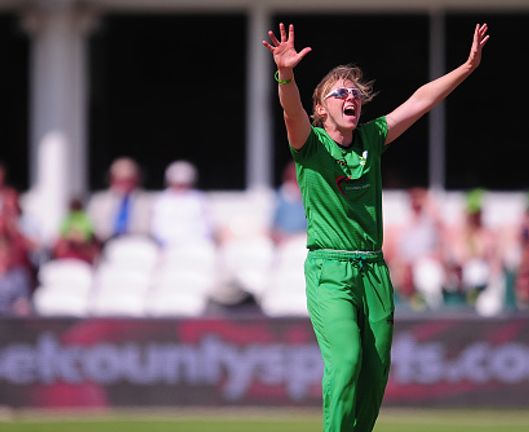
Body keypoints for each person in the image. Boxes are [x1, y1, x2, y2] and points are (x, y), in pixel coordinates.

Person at [262, 21, 489, 432]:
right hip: (330, 270)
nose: (351, 98)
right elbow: (290, 108)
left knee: (374, 376)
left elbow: (419, 102)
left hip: (374, 270)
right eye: (340, 93)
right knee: (346, 360)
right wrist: (286, 73)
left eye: (355, 94)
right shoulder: (309, 144)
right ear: (321, 108)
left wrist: (466, 67)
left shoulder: (371, 139)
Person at [150, 160, 215, 247]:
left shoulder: (200, 199)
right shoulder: (161, 201)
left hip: (196, 244)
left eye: (183, 183)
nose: (180, 187)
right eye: (177, 183)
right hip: (168, 245)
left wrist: (193, 241)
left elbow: (208, 226)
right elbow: (157, 227)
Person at [87, 157, 153, 242]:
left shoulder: (147, 201)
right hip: (105, 243)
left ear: (137, 179)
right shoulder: (98, 201)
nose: (125, 184)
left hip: (138, 243)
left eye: (129, 180)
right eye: (120, 180)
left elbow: (149, 229)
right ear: (111, 179)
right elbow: (93, 228)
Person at [52, 198, 101, 264]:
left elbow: (88, 233)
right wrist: (70, 236)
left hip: (82, 243)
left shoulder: (84, 218)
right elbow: (62, 233)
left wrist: (78, 236)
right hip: (69, 242)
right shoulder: (68, 218)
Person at [270, 161, 307, 245]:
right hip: (282, 241)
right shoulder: (280, 198)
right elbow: (271, 225)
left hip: (300, 241)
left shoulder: (310, 200)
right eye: (292, 179)